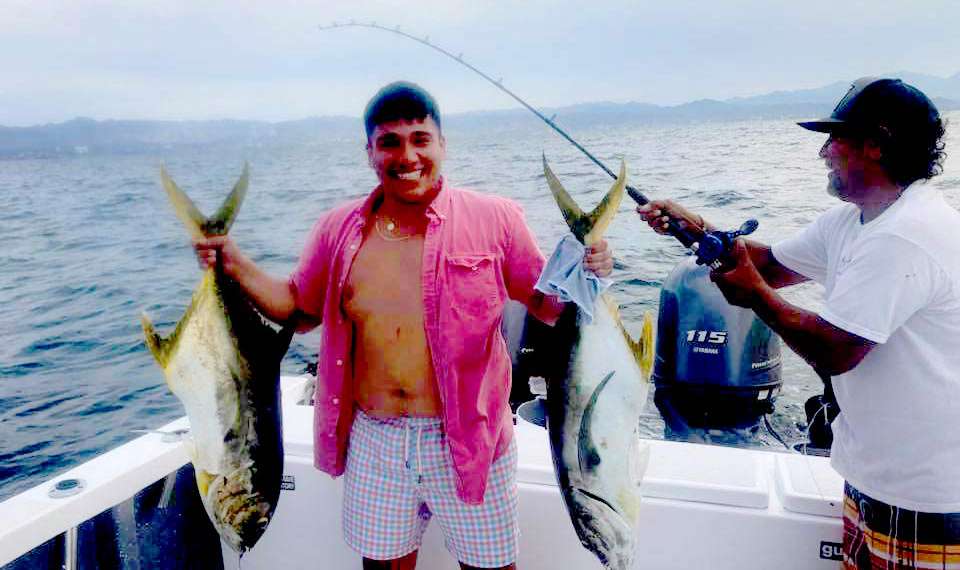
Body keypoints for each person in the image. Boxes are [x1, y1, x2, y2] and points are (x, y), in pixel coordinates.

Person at [194, 81, 612, 570]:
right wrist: (232, 259)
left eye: (420, 138)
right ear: (369, 151)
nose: (407, 155)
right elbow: (297, 309)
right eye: (389, 142)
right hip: (376, 437)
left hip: (473, 437)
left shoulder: (495, 218)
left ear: (442, 144)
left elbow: (548, 307)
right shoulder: (336, 229)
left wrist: (592, 268)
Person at [637, 77, 959, 569]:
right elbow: (768, 266)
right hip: (874, 475)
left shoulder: (907, 234)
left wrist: (756, 298)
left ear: (876, 145)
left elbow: (837, 351)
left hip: (925, 493)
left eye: (835, 139)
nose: (824, 152)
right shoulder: (853, 221)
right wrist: (695, 229)